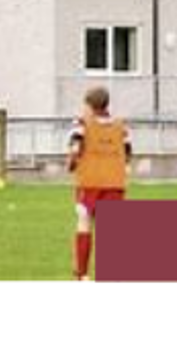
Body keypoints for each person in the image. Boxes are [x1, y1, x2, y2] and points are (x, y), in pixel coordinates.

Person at [68, 85, 129, 281]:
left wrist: (72, 162)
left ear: (89, 106)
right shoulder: (121, 126)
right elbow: (127, 152)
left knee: (84, 223)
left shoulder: (82, 124)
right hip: (114, 182)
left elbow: (76, 146)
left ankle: (83, 274)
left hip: (90, 182)